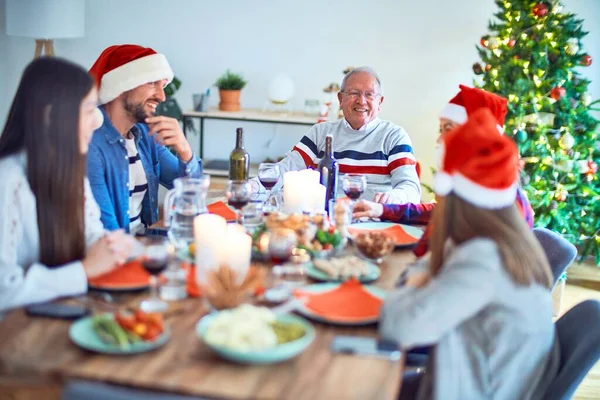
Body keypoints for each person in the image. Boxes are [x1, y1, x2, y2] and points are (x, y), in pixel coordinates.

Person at [379, 108, 559, 400]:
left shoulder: (485, 260)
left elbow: (397, 327)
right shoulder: (503, 237)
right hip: (480, 375)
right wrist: (419, 278)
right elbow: (426, 268)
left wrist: (414, 283)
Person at [0, 57, 133, 312]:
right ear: (51, 115)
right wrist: (84, 271)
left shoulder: (68, 170)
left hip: (56, 313)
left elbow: (91, 234)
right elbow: (4, 291)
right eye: (88, 109)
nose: (98, 121)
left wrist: (118, 247)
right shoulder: (7, 181)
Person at [353, 85, 534, 257]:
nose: (440, 139)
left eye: (448, 129)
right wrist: (382, 209)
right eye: (441, 129)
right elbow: (437, 211)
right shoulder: (474, 188)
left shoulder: (502, 204)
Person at [87, 44, 202, 234]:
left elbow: (192, 194)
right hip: (119, 253)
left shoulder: (145, 134)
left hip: (145, 241)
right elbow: (107, 232)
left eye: (162, 85)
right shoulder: (91, 142)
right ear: (121, 85)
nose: (162, 96)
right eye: (152, 83)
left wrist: (184, 150)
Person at [263, 66, 421, 204]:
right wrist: (254, 185)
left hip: (375, 221)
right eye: (354, 93)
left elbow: (411, 188)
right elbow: (286, 168)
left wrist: (394, 197)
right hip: (325, 219)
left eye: (369, 95)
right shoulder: (321, 132)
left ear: (380, 102)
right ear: (340, 99)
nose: (361, 101)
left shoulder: (394, 136)